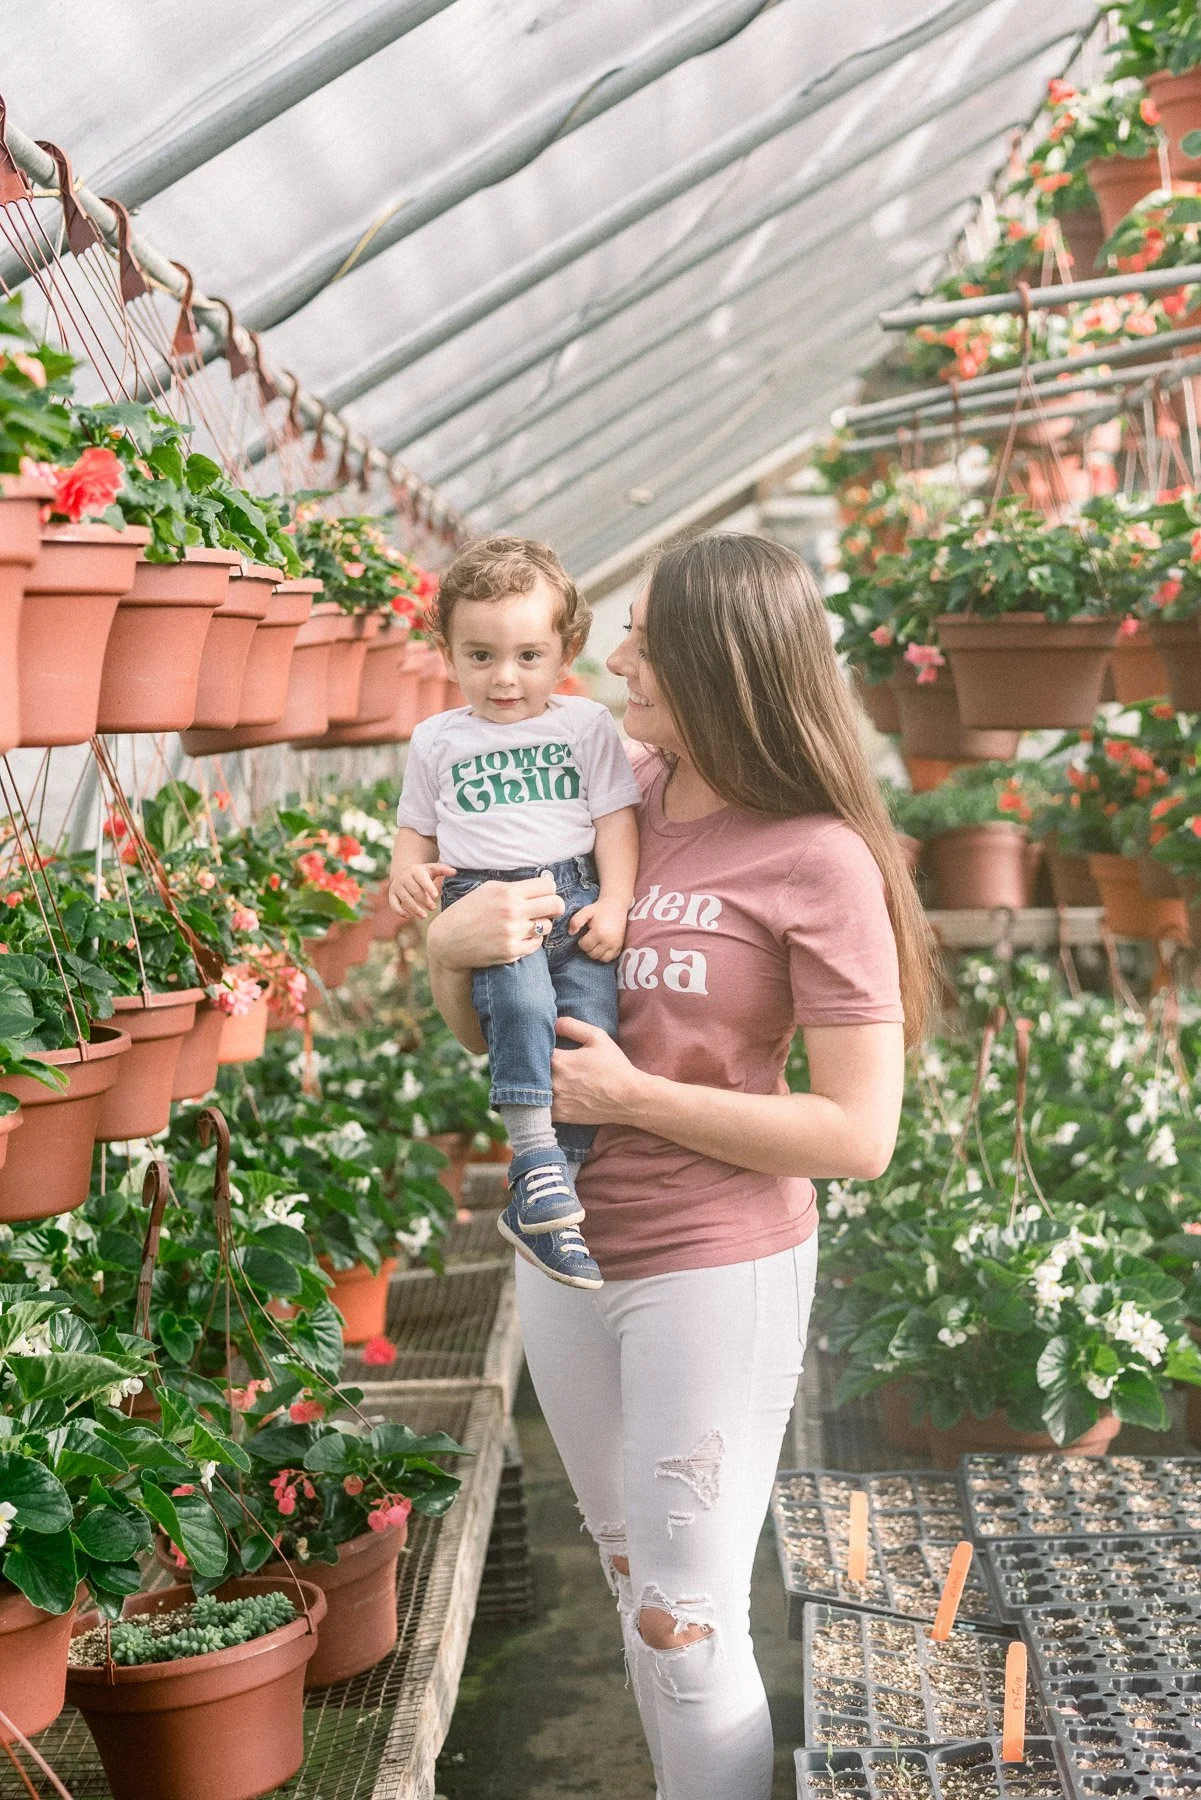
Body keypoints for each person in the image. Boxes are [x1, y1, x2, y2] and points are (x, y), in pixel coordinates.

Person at [424, 533, 933, 1800]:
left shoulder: (815, 856)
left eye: (644, 633)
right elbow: (494, 1027)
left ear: (720, 658)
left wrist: (635, 1096)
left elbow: (858, 1135)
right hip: (567, 1254)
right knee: (624, 1581)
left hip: (715, 1261)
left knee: (685, 1621)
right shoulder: (603, 791)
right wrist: (449, 949)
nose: (613, 653)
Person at [389, 536, 641, 1290]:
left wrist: (616, 902)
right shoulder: (437, 739)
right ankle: (531, 1153)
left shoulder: (585, 725)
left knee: (590, 1021)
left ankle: (549, 1185)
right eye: (480, 656)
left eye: (529, 656)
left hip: (571, 893)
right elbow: (416, 828)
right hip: (481, 892)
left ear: (566, 649)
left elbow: (614, 823)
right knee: (520, 1002)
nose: (504, 678)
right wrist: (407, 872)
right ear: (445, 650)